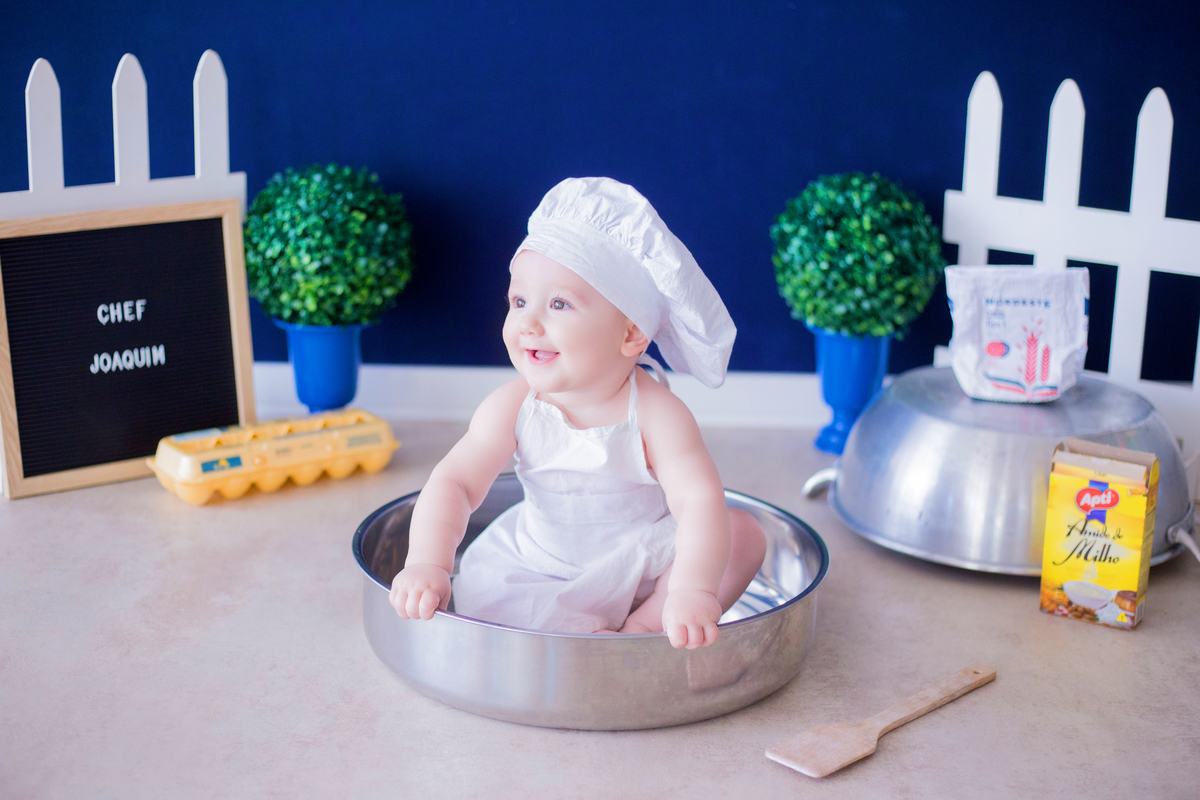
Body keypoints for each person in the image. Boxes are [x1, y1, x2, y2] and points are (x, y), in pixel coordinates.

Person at [389, 177, 765, 649]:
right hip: (540, 567)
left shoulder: (657, 413)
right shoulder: (512, 405)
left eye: (559, 304)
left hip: (644, 563)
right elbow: (456, 483)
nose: (527, 322)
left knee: (743, 533)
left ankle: (647, 625)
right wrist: (428, 562)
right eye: (519, 301)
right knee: (511, 611)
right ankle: (583, 632)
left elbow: (697, 501)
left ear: (631, 335)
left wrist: (693, 589)